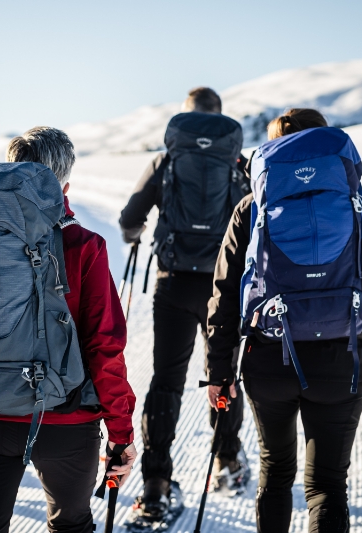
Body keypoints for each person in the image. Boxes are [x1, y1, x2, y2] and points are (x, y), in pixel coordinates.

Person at [204, 108, 362, 532]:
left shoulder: (252, 206)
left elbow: (223, 296)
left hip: (269, 358)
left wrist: (219, 371)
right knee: (328, 484)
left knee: (276, 475)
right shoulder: (356, 202)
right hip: (340, 357)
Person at [0, 127, 138, 533]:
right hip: (64, 423)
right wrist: (120, 433)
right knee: (70, 525)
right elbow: (104, 345)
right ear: (64, 184)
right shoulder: (82, 245)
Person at [118, 87, 250, 523]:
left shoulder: (167, 159)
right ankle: (227, 461)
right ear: (219, 116)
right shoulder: (237, 163)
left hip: (173, 284)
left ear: (186, 117)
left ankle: (156, 484)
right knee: (224, 374)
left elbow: (129, 217)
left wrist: (135, 235)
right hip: (223, 289)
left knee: (166, 381)